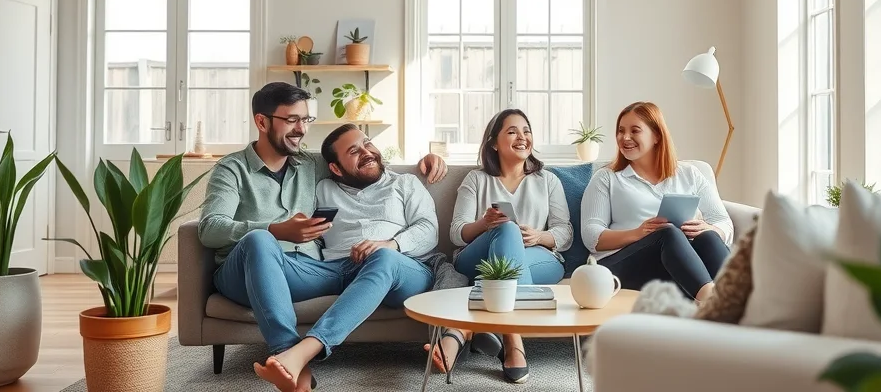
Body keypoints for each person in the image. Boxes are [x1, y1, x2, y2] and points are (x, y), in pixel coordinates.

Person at [198, 82, 449, 392]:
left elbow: (364, 163)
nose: (301, 129)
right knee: (259, 240)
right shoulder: (232, 169)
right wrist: (276, 229)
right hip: (246, 269)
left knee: (379, 258)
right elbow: (209, 229)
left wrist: (429, 158)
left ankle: (292, 364)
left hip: (310, 269)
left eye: (306, 120)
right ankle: (286, 352)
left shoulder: (309, 163)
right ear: (262, 122)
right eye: (291, 119)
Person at [436, 109, 572, 384]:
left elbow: (565, 232)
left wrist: (539, 236)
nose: (522, 137)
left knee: (510, 239)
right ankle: (513, 339)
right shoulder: (476, 179)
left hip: (538, 256)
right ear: (494, 142)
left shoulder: (548, 180)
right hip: (476, 256)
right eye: (512, 131)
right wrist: (484, 224)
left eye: (526, 130)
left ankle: (464, 331)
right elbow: (456, 233)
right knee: (506, 228)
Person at [579, 101, 733, 302]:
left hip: (674, 264)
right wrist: (637, 234)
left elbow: (724, 221)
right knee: (666, 233)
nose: (625, 138)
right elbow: (591, 236)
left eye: (635, 131)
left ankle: (737, 298)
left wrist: (708, 228)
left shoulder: (689, 175)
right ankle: (709, 301)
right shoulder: (607, 178)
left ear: (657, 136)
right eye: (620, 131)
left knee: (709, 237)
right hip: (618, 265)